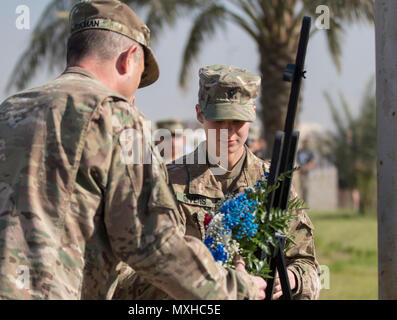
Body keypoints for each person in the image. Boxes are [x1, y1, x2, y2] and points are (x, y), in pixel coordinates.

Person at [0, 1, 261, 300]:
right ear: (129, 58)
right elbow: (153, 243)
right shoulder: (114, 115)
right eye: (139, 79)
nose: (135, 95)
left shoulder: (3, 114)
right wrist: (237, 289)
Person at [113, 65, 320, 300]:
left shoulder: (272, 183)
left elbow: (307, 265)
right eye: (219, 119)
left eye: (237, 120)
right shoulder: (168, 181)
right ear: (200, 114)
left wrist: (291, 280)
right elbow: (126, 273)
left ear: (252, 114)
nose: (228, 131)